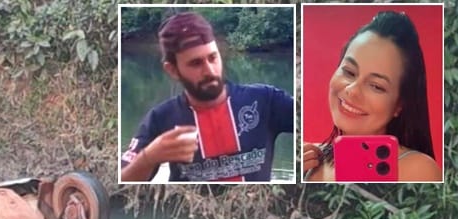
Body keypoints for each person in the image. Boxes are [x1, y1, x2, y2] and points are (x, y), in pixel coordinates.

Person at [120, 11, 294, 183]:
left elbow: (316, 120)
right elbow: (123, 181)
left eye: (213, 57)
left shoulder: (265, 100)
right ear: (172, 70)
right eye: (196, 63)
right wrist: (149, 157)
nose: (209, 71)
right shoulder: (161, 118)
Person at [303, 11, 441, 182]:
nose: (353, 90)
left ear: (399, 104)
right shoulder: (310, 158)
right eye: (349, 72)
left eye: (376, 86)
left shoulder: (418, 169)